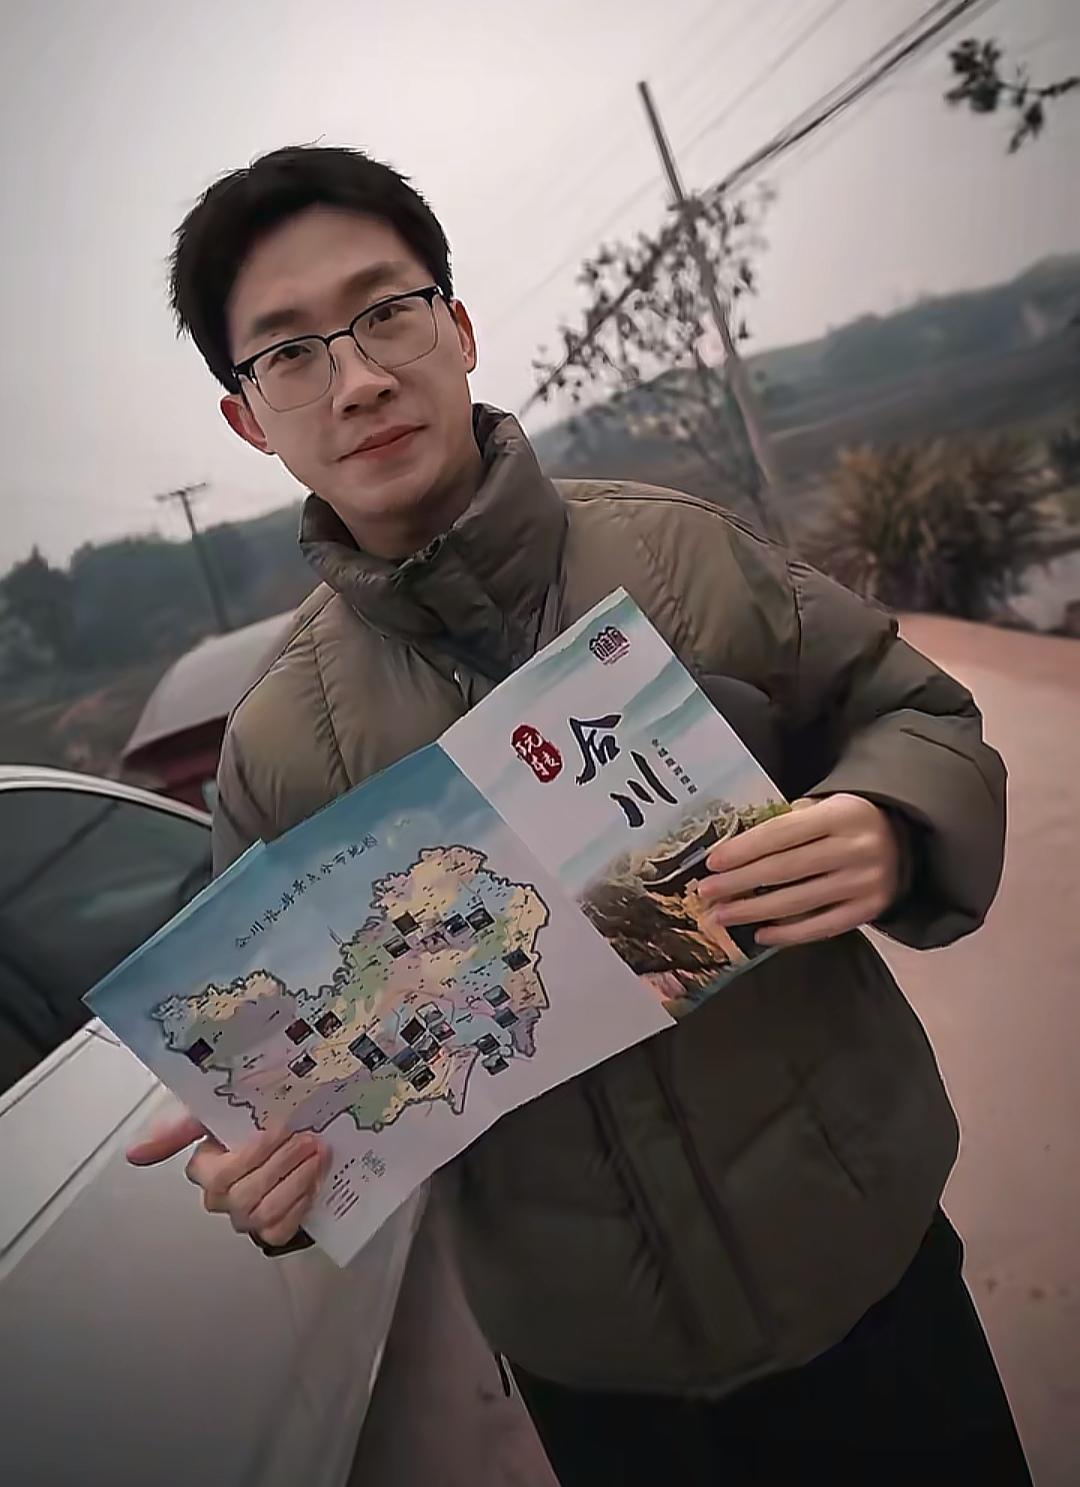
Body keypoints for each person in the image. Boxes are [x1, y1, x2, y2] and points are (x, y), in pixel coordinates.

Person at [127, 145, 1028, 1483]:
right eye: (292, 352)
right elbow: (295, 1087)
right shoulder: (275, 751)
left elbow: (920, 715)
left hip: (869, 1274)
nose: (358, 377)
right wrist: (273, 1180)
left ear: (459, 327)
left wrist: (890, 819)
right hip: (597, 1378)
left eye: (386, 312)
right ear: (247, 418)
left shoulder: (681, 553)